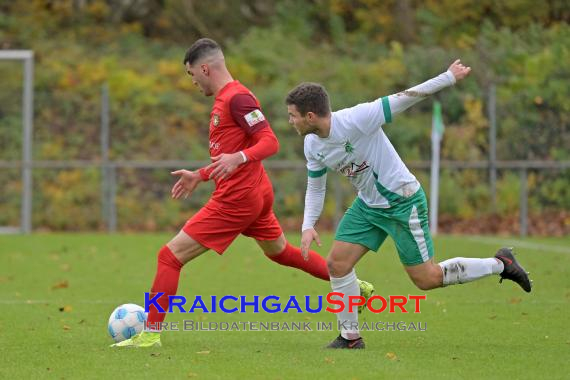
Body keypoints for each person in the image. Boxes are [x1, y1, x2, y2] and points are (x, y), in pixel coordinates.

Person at [112, 38, 373, 348]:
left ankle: (149, 335)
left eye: (191, 73)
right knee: (281, 252)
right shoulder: (227, 99)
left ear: (205, 68)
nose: (193, 80)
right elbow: (231, 154)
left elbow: (269, 142)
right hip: (254, 192)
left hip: (238, 198)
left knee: (169, 257)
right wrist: (201, 174)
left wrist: (239, 158)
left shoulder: (238, 99)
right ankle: (355, 287)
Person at [285, 59, 532, 349]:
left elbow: (407, 97)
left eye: (292, 116)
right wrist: (307, 225)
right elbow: (316, 185)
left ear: (310, 116)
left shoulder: (357, 118)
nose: (290, 121)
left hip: (402, 202)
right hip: (368, 206)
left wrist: (448, 77)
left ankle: (500, 264)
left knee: (426, 279)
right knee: (337, 264)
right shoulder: (312, 144)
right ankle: (350, 338)